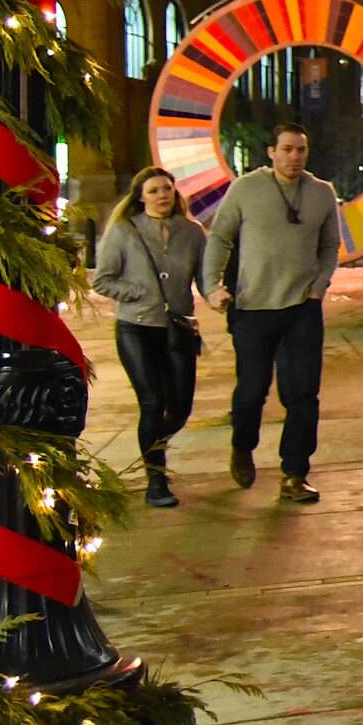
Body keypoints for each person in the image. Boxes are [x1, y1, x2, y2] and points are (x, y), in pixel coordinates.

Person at [203, 123, 340, 505]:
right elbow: (219, 237)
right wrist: (213, 287)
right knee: (252, 390)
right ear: (271, 152)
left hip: (302, 308)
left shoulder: (321, 193)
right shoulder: (246, 189)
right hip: (252, 308)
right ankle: (242, 445)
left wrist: (319, 286)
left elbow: (330, 246)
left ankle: (295, 473)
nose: (294, 156)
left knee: (303, 394)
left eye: (301, 150)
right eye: (287, 149)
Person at [95, 166, 209, 508]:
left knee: (180, 408)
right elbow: (102, 280)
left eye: (167, 189)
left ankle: (150, 448)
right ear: (140, 196)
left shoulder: (192, 233)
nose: (162, 196)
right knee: (152, 402)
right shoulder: (125, 231)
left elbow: (204, 279)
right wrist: (138, 292)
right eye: (154, 190)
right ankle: (156, 479)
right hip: (137, 328)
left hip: (178, 329)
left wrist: (223, 295)